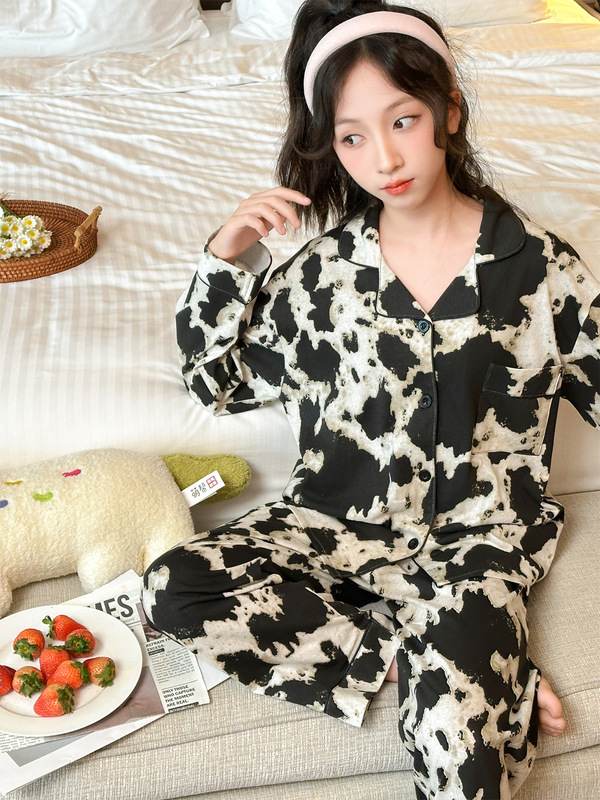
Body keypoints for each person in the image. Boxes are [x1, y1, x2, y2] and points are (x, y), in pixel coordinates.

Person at [142, 1, 599, 797]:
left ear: (449, 111)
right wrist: (226, 255)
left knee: (463, 764)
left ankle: (463, 672)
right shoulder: (323, 277)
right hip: (334, 536)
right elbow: (219, 381)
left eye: (403, 121)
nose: (383, 158)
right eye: (352, 137)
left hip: (474, 554)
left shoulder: (540, 269)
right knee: (172, 584)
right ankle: (415, 657)